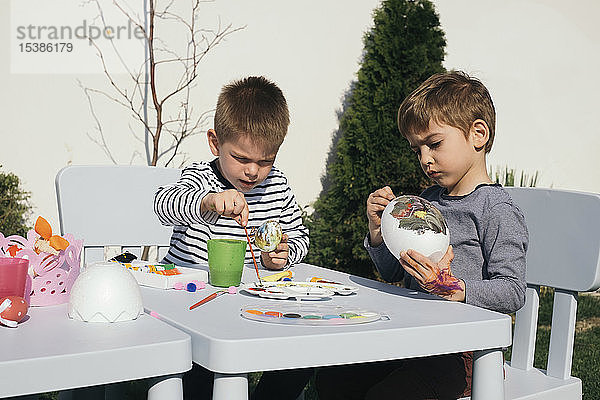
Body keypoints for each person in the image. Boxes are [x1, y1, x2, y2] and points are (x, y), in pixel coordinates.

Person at [316, 70, 528, 399]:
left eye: (434, 144)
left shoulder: (495, 209)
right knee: (333, 381)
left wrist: (454, 288)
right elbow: (392, 270)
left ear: (478, 134)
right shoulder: (426, 203)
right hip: (413, 337)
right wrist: (377, 231)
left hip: (463, 354)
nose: (425, 159)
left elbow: (513, 291)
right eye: (418, 150)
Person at [154, 76, 312, 400]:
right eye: (241, 158)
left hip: (252, 306)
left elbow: (299, 235)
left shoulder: (277, 185)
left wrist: (283, 253)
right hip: (191, 308)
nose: (253, 172)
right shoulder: (199, 176)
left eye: (265, 161)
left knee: (302, 355)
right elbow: (163, 204)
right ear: (215, 143)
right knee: (199, 382)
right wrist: (207, 201)